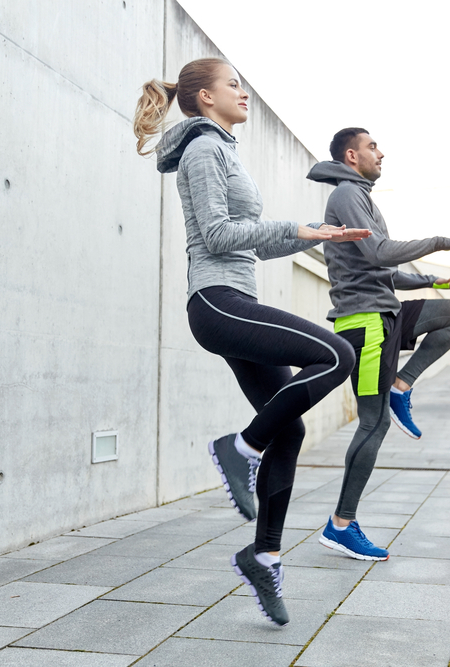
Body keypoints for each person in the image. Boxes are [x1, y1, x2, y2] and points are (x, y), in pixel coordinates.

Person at [133, 59, 369, 625]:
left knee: (290, 429)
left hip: (236, 295)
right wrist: (298, 228)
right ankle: (239, 449)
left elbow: (253, 245)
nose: (243, 94)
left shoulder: (223, 150)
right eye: (233, 85)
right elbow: (217, 236)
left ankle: (263, 557)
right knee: (337, 354)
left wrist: (315, 236)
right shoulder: (202, 150)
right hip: (217, 301)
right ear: (205, 97)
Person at [306, 128, 450, 560]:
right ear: (352, 156)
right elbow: (381, 253)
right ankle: (340, 526)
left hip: (384, 314)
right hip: (365, 324)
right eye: (372, 147)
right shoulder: (347, 193)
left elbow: (382, 271)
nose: (381, 153)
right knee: (373, 424)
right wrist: (440, 243)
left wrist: (434, 280)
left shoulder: (359, 195)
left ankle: (402, 386)